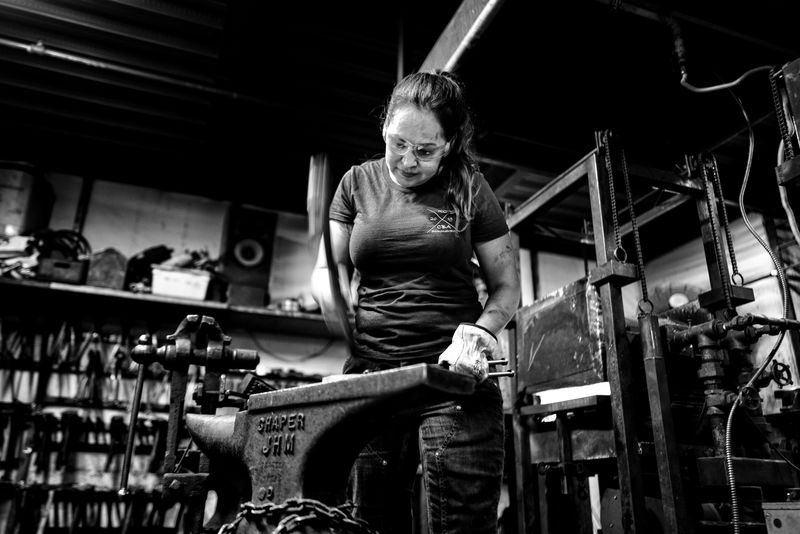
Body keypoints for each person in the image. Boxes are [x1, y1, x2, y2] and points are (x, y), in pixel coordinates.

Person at [310, 70, 520, 534]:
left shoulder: (469, 187)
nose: (407, 161)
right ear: (385, 127)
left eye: (425, 151)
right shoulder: (355, 184)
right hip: (372, 380)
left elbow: (506, 287)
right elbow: (328, 265)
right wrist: (328, 288)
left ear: (449, 144)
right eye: (397, 143)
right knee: (372, 523)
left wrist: (482, 334)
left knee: (460, 525)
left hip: (451, 380)